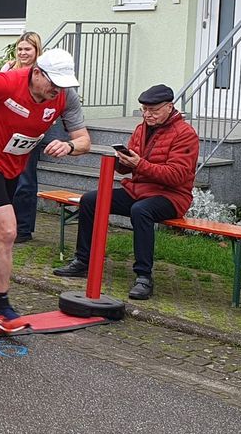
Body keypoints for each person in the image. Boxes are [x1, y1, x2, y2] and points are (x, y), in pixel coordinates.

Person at [0, 48, 91, 330]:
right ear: (37, 72)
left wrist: (69, 145)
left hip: (13, 166)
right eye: (53, 83)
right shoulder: (8, 82)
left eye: (63, 85)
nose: (57, 90)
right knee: (7, 230)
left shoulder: (65, 96)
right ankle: (3, 309)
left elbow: (84, 140)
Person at [52, 84, 198, 301]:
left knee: (141, 211)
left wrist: (139, 164)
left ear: (170, 107)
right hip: (139, 190)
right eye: (144, 110)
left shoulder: (185, 134)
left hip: (172, 197)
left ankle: (143, 276)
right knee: (91, 200)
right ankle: (83, 261)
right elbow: (132, 167)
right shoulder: (141, 129)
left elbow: (177, 176)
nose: (147, 115)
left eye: (154, 110)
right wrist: (123, 162)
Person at [5, 31, 45, 241]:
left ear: (37, 51)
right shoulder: (9, 69)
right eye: (20, 49)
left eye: (27, 49)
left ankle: (23, 228)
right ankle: (6, 224)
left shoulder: (41, 73)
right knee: (7, 179)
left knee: (25, 180)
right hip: (7, 131)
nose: (23, 53)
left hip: (29, 133)